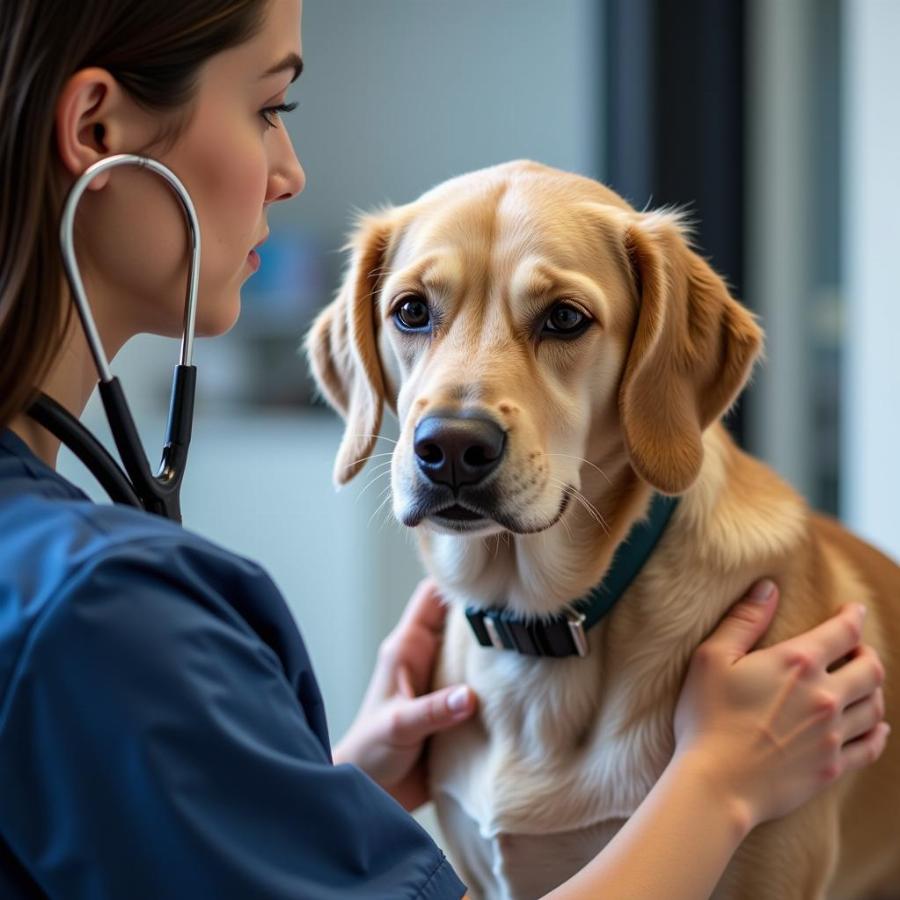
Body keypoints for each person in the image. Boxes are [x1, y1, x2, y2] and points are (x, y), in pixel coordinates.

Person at [0, 1, 889, 898]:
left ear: (658, 365)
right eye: (271, 108)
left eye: (563, 320)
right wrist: (718, 784)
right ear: (95, 129)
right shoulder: (98, 608)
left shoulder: (46, 556)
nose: (455, 421)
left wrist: (327, 787)